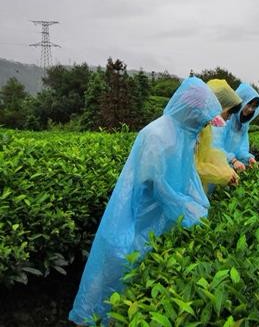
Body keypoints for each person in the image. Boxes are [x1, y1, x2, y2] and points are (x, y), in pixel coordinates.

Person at [69, 77, 222, 326]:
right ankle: (95, 319)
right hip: (138, 218)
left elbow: (189, 175)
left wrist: (198, 202)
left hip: (158, 220)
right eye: (203, 118)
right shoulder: (157, 134)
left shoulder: (185, 134)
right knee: (119, 270)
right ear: (191, 111)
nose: (204, 125)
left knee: (139, 279)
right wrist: (188, 210)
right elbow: (157, 185)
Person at [195, 79, 243, 191]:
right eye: (229, 112)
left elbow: (207, 153)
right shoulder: (191, 130)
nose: (230, 117)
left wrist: (226, 168)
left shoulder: (205, 127)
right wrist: (222, 174)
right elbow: (190, 167)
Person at [212, 82, 259, 172]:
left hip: (229, 170)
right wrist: (233, 160)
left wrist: (248, 158)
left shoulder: (244, 125)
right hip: (215, 166)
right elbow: (215, 145)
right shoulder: (225, 118)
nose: (250, 109)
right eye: (248, 104)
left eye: (254, 107)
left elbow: (241, 148)